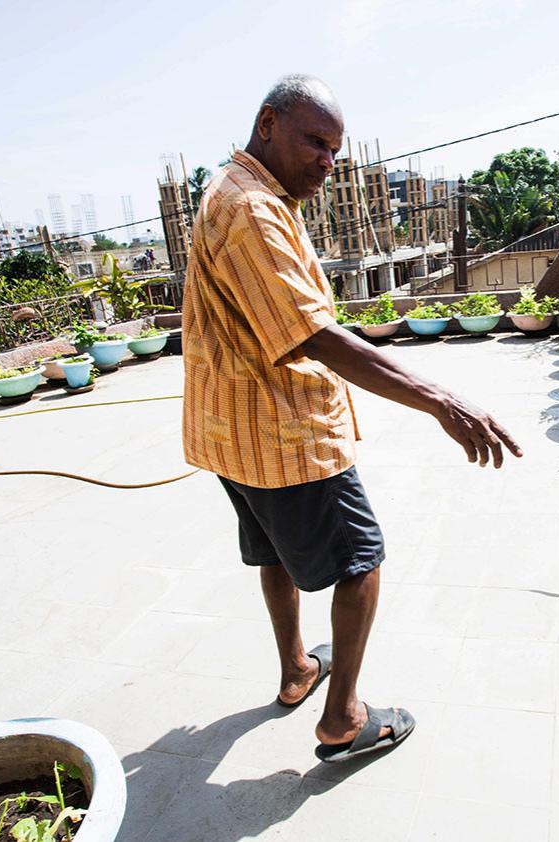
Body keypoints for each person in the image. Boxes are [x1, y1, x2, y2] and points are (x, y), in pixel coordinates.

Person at [180, 74, 522, 763]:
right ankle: (342, 719)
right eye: (315, 143)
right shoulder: (252, 209)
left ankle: (297, 672)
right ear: (267, 123)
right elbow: (311, 334)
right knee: (361, 562)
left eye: (335, 152)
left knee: (273, 552)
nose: (326, 165)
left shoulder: (235, 191)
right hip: (281, 431)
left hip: (232, 430)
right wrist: (442, 401)